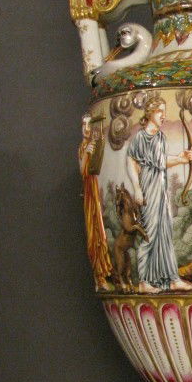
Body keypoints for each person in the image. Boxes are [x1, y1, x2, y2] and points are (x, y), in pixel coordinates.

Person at [125, 95, 192, 293]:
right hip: (149, 188)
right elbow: (131, 161)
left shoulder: (160, 137)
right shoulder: (140, 137)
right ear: (149, 113)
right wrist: (137, 188)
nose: (163, 116)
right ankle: (144, 281)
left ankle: (171, 278)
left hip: (161, 188)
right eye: (159, 112)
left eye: (164, 112)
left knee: (164, 232)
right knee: (150, 232)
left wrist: (181, 158)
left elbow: (161, 161)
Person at [79, 113, 112, 291]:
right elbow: (83, 170)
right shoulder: (84, 147)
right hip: (89, 193)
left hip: (94, 191)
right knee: (93, 232)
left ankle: (102, 274)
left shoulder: (93, 144)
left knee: (98, 229)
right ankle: (98, 276)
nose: (86, 129)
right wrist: (86, 154)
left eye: (89, 126)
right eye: (83, 126)